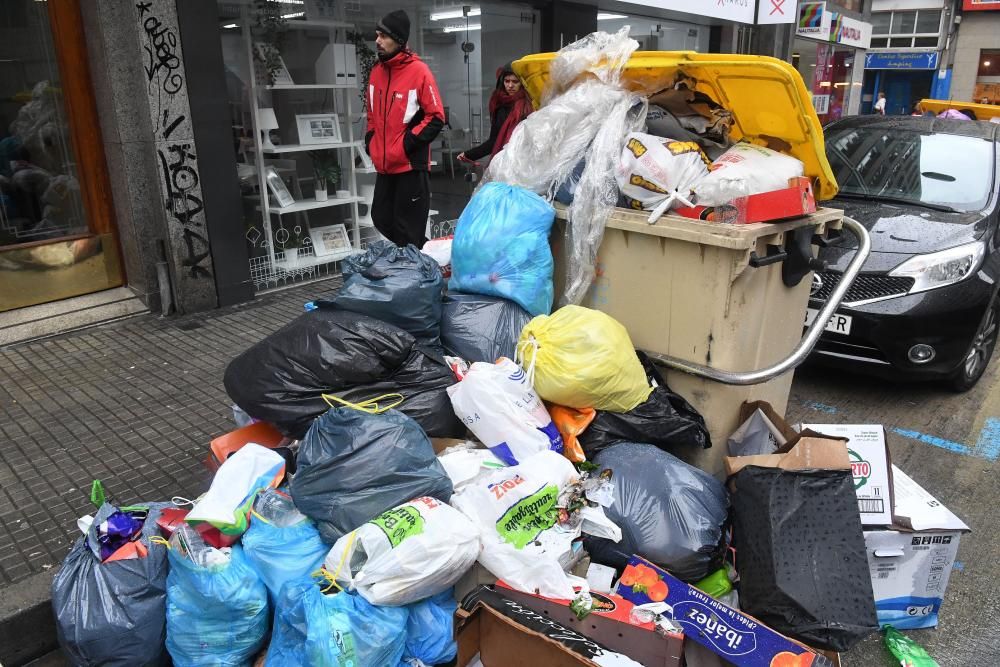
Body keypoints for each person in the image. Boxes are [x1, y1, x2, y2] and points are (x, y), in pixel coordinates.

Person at [365, 10, 445, 248]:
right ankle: (423, 255)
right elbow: (371, 115)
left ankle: (416, 265)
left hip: (410, 165)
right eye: (377, 35)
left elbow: (436, 116)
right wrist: (371, 141)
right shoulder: (376, 73)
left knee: (407, 226)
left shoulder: (419, 71)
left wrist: (405, 145)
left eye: (383, 36)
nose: (377, 40)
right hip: (385, 166)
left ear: (398, 40)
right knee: (381, 218)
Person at [458, 64, 533, 163]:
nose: (510, 85)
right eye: (507, 81)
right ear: (502, 82)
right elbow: (494, 141)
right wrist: (469, 155)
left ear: (522, 83)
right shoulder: (500, 106)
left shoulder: (530, 104)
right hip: (507, 161)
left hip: (527, 160)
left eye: (515, 81)